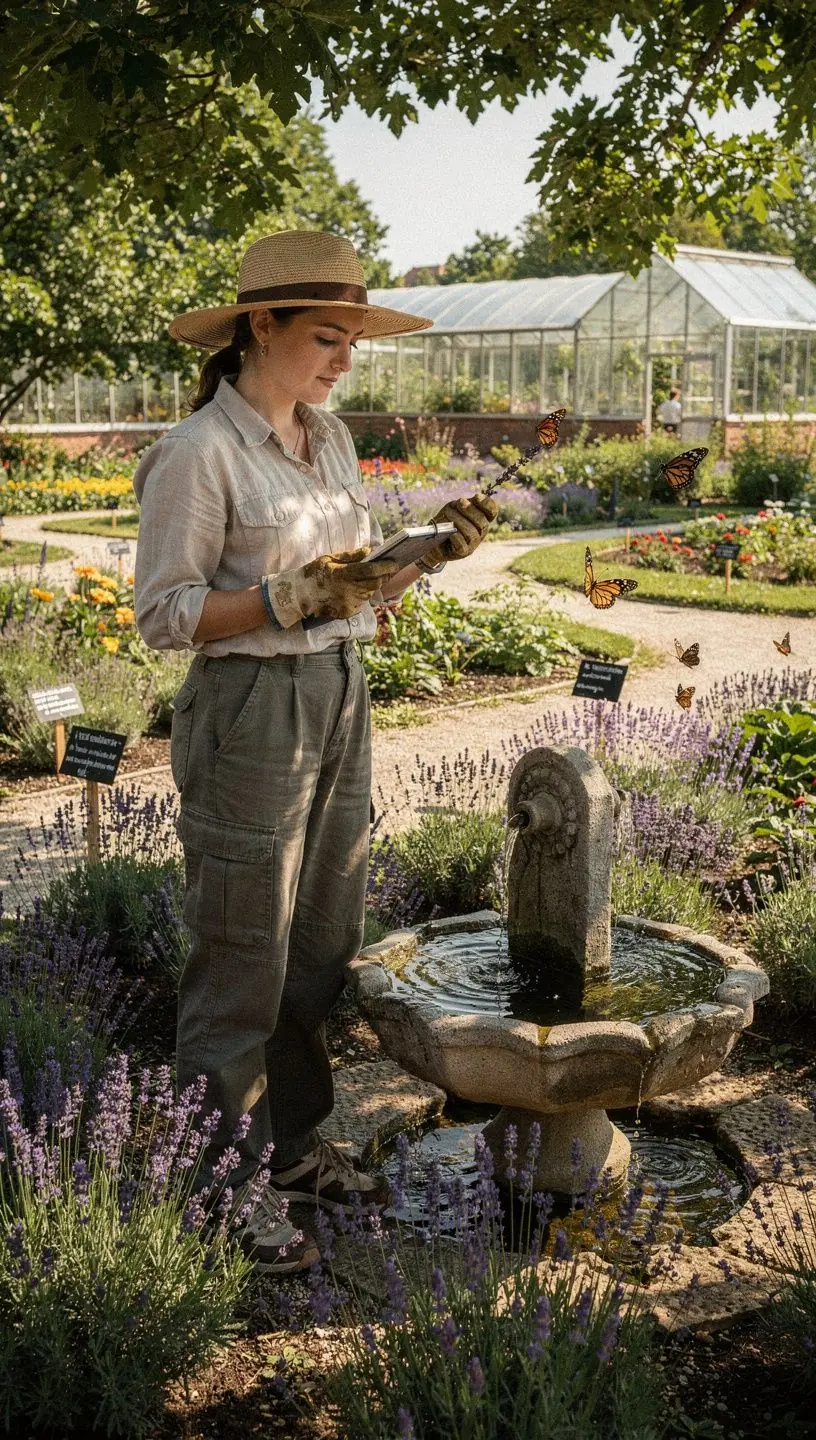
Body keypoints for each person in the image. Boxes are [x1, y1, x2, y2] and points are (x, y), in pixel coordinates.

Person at [132, 230, 499, 1272]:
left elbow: (351, 589)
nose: (344, 358)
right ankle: (219, 1181)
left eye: (353, 341)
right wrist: (287, 597)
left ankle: (287, 1147)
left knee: (321, 944)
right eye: (327, 337)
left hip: (341, 690)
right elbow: (165, 614)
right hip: (252, 706)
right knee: (242, 951)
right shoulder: (198, 453)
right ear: (262, 324)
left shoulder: (327, 438)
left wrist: (424, 555)